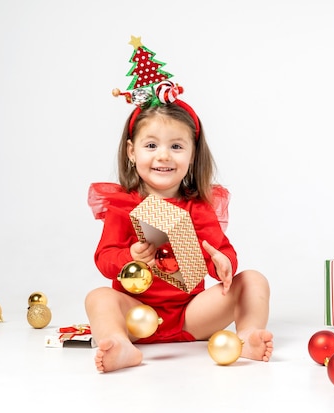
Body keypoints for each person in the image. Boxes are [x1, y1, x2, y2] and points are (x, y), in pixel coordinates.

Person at [84, 90, 273, 373]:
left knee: (254, 280)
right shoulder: (123, 207)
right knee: (98, 297)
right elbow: (104, 258)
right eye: (151, 145)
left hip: (191, 315)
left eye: (176, 146)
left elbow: (222, 251)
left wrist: (223, 262)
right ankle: (119, 343)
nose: (163, 155)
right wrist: (129, 256)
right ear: (131, 152)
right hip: (136, 313)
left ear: (192, 154)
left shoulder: (199, 207)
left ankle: (247, 336)